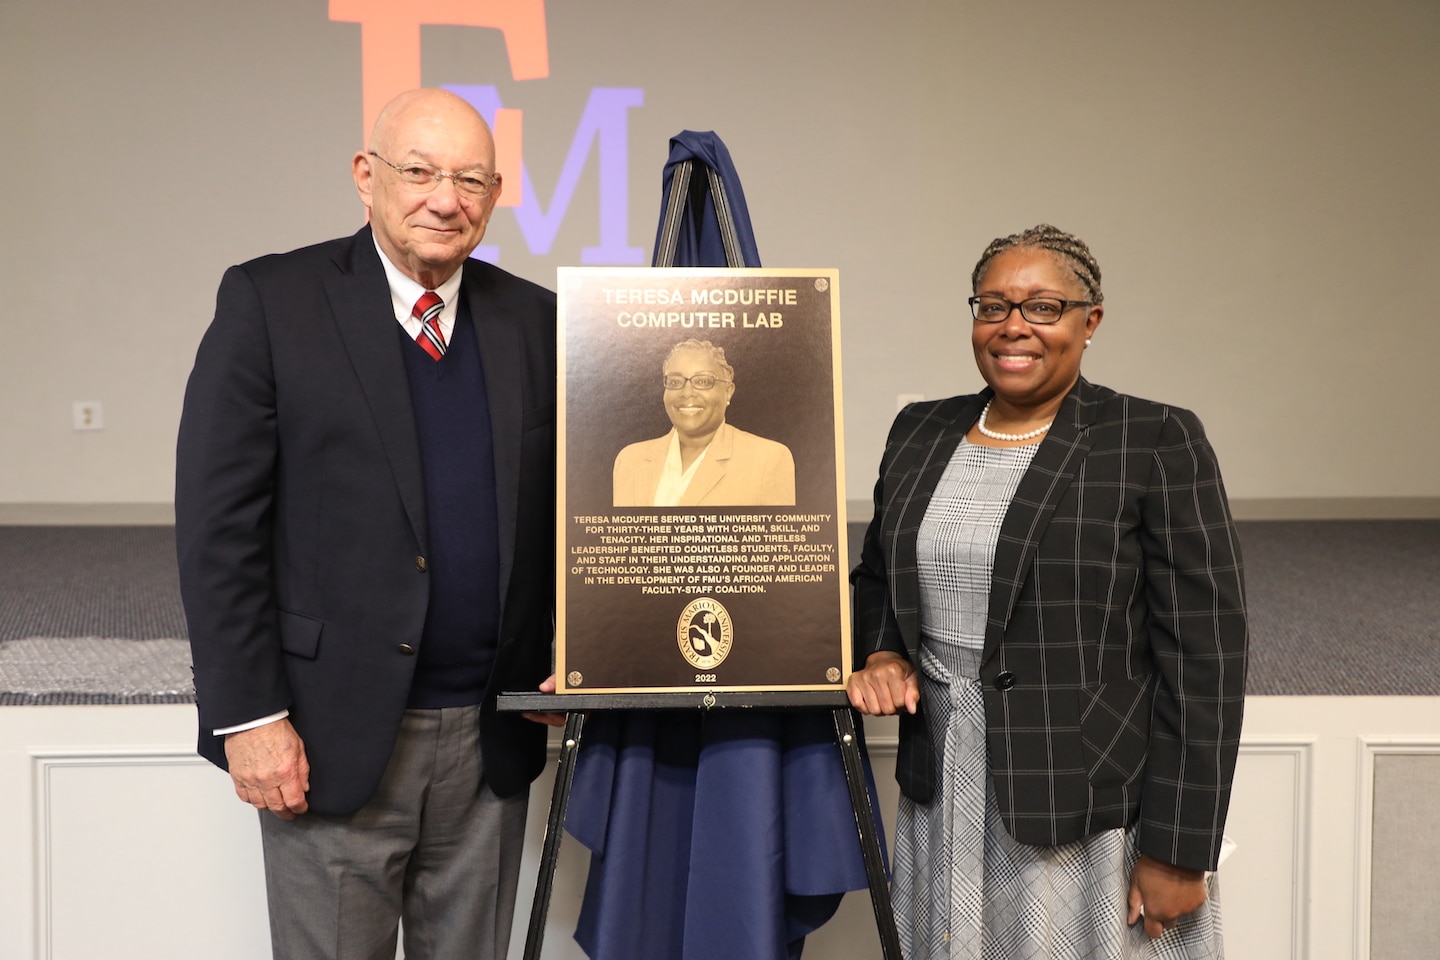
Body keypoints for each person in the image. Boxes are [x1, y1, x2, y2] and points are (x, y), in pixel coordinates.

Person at [175, 88, 562, 960]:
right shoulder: (271, 302)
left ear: (495, 195)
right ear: (366, 176)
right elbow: (218, 530)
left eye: (470, 179)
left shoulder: (536, 321)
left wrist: (573, 652)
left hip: (490, 740)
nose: (444, 198)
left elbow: (572, 518)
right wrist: (249, 717)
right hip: (326, 735)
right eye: (419, 171)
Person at [846, 224, 1246, 958]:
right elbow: (876, 575)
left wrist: (1180, 849)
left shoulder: (1152, 439)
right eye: (993, 305)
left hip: (1084, 804)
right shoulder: (920, 431)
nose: (1013, 328)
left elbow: (1205, 656)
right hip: (945, 782)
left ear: (1089, 321)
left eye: (1042, 307)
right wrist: (880, 652)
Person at [612, 338, 796, 506]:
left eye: (702, 381)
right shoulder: (630, 460)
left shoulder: (768, 459)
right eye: (675, 382)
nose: (687, 392)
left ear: (728, 391)